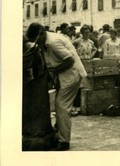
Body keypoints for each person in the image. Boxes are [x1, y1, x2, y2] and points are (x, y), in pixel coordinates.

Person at [26, 23, 87, 151]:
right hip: (64, 75)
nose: (35, 43)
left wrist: (55, 71)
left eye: (35, 40)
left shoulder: (54, 42)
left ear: (42, 33)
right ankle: (58, 133)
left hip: (71, 75)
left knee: (61, 106)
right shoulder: (45, 41)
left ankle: (64, 141)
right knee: (61, 106)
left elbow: (69, 60)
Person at [22, 36, 58, 151]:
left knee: (36, 109)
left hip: (36, 82)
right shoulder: (31, 49)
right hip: (29, 82)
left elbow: (41, 66)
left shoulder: (33, 49)